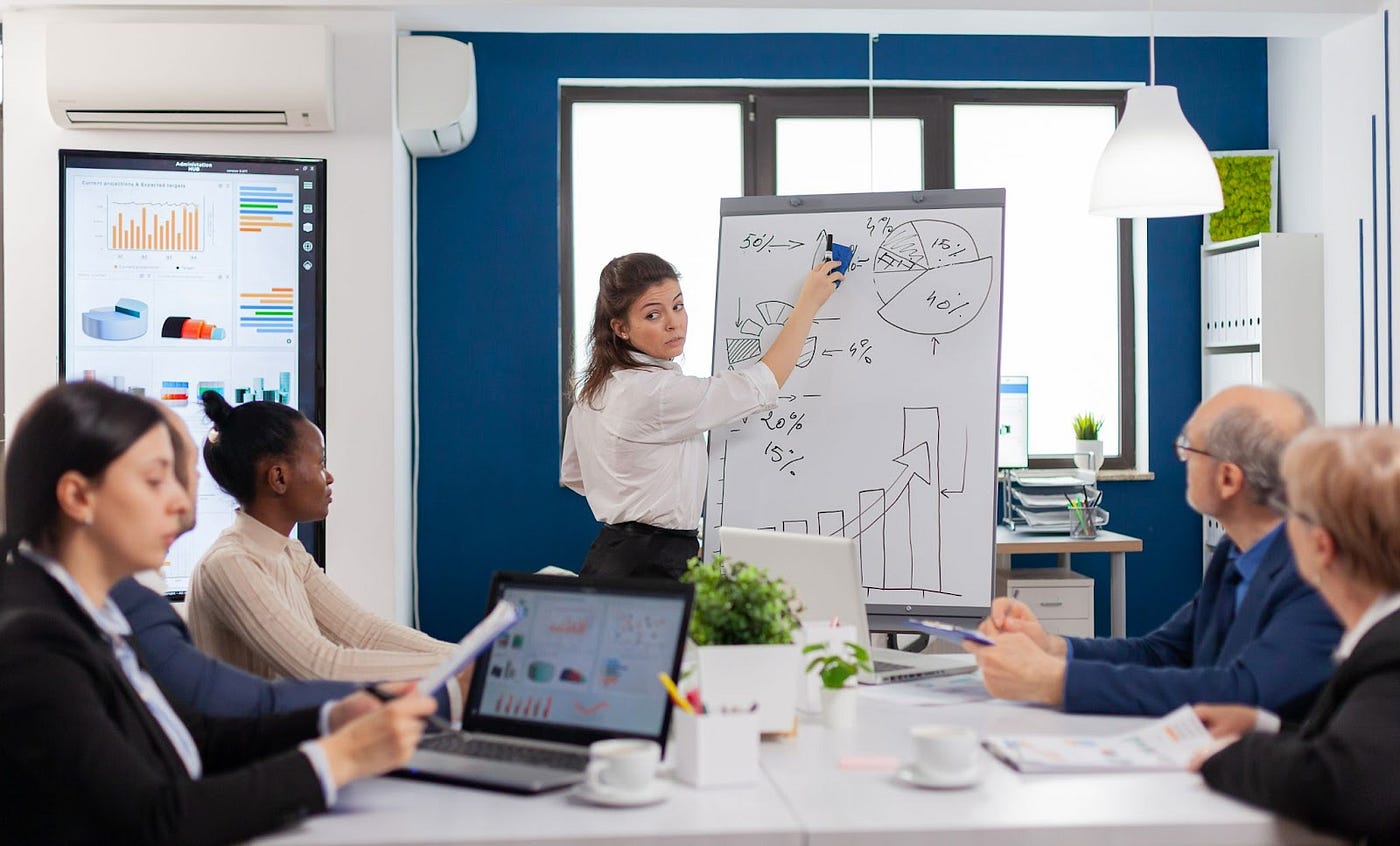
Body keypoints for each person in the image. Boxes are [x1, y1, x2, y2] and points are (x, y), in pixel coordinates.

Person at [0, 382, 435, 845]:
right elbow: (153, 820)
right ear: (78, 497)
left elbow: (192, 739)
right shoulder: (35, 643)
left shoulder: (96, 614)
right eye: (155, 481)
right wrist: (339, 759)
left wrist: (330, 721)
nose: (184, 509)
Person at [967, 385, 1341, 718]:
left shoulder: (1321, 572)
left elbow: (1243, 694)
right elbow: (1162, 652)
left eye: (1188, 448)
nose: (1182, 459)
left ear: (1228, 479)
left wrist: (1052, 681)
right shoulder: (1237, 552)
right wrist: (1051, 648)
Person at [114, 404, 455, 719]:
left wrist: (466, 657)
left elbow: (364, 633)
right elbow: (322, 666)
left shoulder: (287, 553)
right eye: (320, 463)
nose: (329, 476)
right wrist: (458, 670)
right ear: (278, 477)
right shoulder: (230, 564)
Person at [561, 252, 841, 579]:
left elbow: (576, 476)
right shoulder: (656, 393)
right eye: (653, 314)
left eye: (678, 306)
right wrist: (808, 303)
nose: (673, 322)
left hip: (611, 555)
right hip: (648, 568)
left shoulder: (595, 390)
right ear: (620, 328)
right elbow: (761, 384)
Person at [1190, 425, 1400, 842]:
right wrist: (1266, 726)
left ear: (1321, 546)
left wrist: (1232, 755)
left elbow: (1343, 785)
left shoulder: (1390, 654)